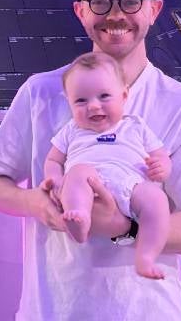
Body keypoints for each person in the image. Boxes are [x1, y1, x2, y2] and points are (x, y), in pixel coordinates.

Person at [0, 0, 181, 320]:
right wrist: (38, 206)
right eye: (99, 2)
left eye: (130, 1)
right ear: (80, 11)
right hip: (55, 310)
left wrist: (122, 227)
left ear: (154, 9)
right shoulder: (40, 93)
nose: (115, 14)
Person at [43, 51, 171, 280]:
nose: (93, 106)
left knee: (157, 200)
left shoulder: (135, 126)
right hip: (86, 184)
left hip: (131, 185)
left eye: (104, 96)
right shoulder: (72, 129)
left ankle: (146, 257)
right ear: (69, 102)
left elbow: (161, 155)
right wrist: (55, 179)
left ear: (123, 96)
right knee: (78, 172)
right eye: (81, 100)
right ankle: (80, 221)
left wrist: (161, 167)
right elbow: (53, 160)